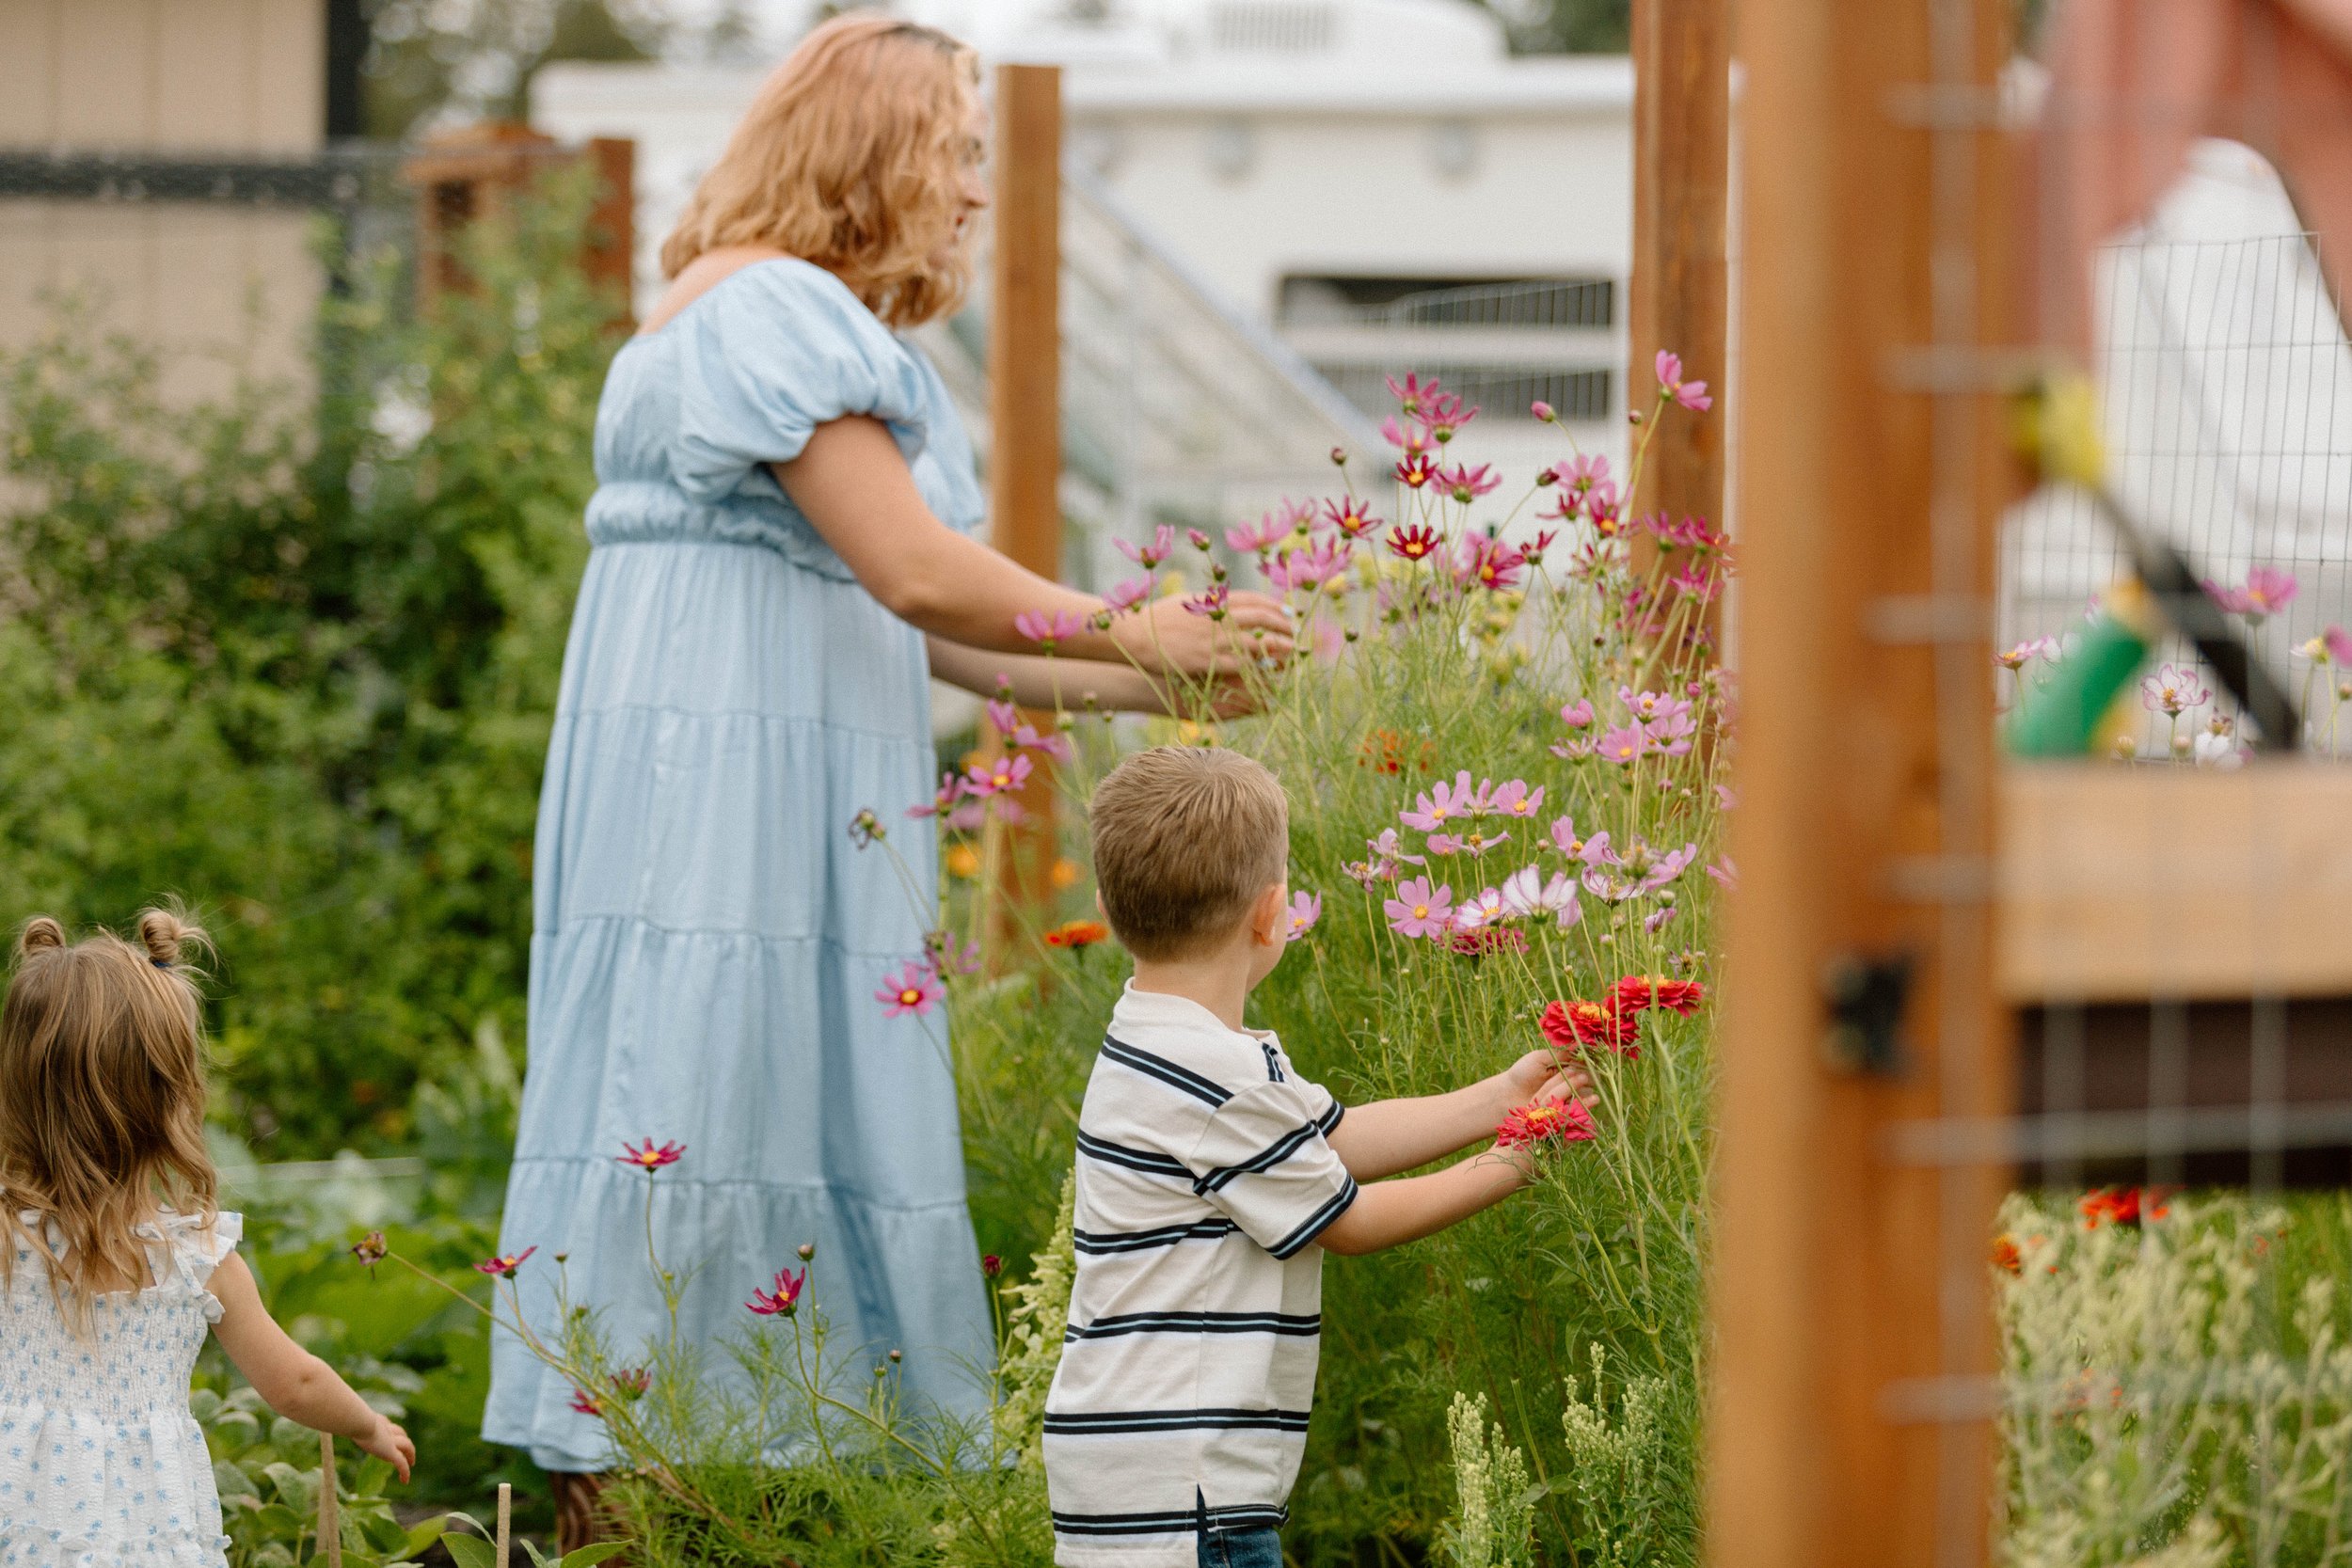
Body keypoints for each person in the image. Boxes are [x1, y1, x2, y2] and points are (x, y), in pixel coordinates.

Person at [484, 13, 1294, 1531]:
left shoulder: (753, 319)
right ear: (876, 156)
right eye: (958, 153)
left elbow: (959, 645)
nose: (976, 193)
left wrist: (1158, 671)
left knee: (727, 1085)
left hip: (727, 779)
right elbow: (922, 577)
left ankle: (709, 1490)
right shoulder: (773, 316)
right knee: (712, 1090)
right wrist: (1138, 619)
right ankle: (672, 1500)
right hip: (731, 804)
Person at [1042, 749, 1594, 1568]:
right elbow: (1353, 1219)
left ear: (1107, 905)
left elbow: (1337, 1139)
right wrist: (1522, 1155)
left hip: (1133, 1471)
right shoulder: (1217, 1078)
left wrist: (1502, 1097)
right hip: (1186, 1490)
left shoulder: (1163, 1036)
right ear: (1273, 915)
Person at [0, 911, 416, 1565]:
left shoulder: (6, 1241)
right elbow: (295, 1383)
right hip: (150, 1534)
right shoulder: (196, 1259)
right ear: (168, 1099)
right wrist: (368, 1423)